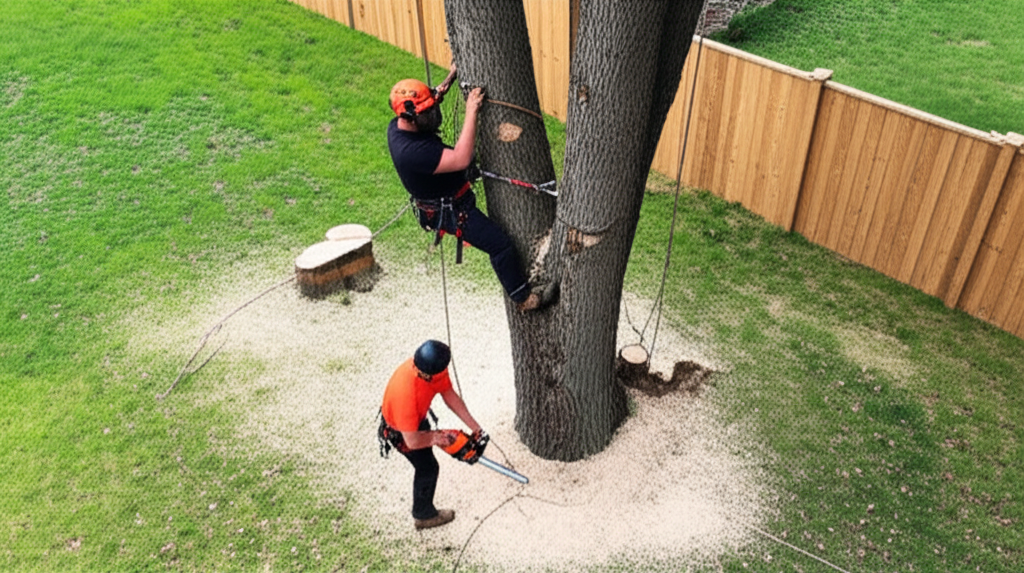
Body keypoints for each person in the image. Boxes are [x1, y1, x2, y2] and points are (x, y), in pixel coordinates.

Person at [386, 76, 542, 312]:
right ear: (409, 117)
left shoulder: (401, 124)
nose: (433, 114)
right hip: (452, 211)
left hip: (444, 194)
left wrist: (450, 76)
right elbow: (461, 159)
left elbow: (434, 95)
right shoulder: (411, 152)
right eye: (428, 112)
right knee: (500, 246)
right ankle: (522, 298)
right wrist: (472, 110)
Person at [378, 340, 488, 530]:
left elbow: (449, 394)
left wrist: (476, 428)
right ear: (426, 373)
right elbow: (411, 441)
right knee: (428, 468)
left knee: (428, 454)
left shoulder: (432, 367)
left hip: (418, 419)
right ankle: (423, 516)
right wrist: (435, 437)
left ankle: (423, 513)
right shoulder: (406, 394)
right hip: (400, 431)